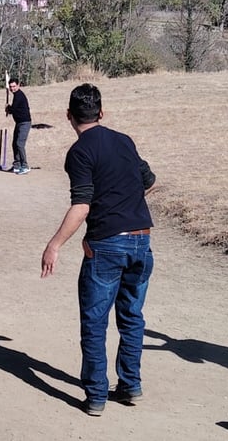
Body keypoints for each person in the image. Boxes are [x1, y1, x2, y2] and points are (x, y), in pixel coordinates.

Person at [40, 83, 156, 417]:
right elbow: (149, 181)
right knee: (132, 317)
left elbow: (82, 205)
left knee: (94, 321)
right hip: (142, 240)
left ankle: (96, 396)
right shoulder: (124, 141)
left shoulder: (79, 152)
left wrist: (54, 245)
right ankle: (130, 385)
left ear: (69, 116)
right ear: (102, 112)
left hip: (107, 245)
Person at [5, 77, 32, 174]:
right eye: (11, 87)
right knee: (14, 144)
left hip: (25, 123)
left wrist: (8, 108)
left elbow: (13, 110)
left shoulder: (19, 95)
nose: (12, 88)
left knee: (20, 144)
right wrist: (9, 108)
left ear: (18, 85)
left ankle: (25, 166)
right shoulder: (16, 95)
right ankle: (17, 165)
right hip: (19, 123)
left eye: (14, 86)